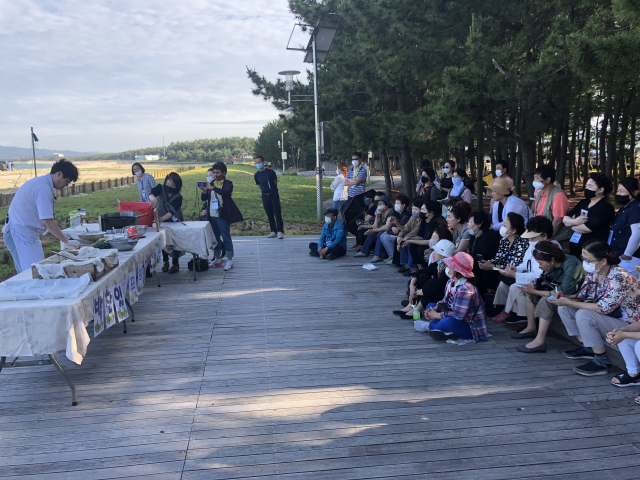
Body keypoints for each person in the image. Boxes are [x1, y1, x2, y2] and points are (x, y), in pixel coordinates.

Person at [552, 240, 640, 376]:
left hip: (628, 322)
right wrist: (565, 297)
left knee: (583, 314)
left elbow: (603, 308)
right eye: (583, 258)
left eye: (588, 260)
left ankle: (601, 360)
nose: (585, 263)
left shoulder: (619, 277)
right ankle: (588, 347)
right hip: (610, 317)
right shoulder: (594, 272)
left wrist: (570, 302)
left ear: (603, 261)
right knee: (564, 309)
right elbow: (582, 296)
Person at [2, 159, 81, 273]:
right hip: (19, 233)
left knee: (35, 271)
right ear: (59, 174)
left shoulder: (42, 183)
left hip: (25, 232)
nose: (66, 185)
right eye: (67, 181)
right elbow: (48, 221)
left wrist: (62, 235)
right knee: (32, 273)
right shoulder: (42, 188)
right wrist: (66, 241)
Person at [513, 241, 585, 353]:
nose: (539, 266)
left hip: (573, 297)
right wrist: (535, 284)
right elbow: (547, 281)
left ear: (551, 260)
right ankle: (531, 327)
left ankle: (539, 341)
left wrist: (535, 291)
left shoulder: (572, 264)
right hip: (559, 294)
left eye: (541, 263)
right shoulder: (553, 264)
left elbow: (563, 291)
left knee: (545, 301)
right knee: (530, 293)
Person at [491, 216, 555, 324]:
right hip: (529, 279)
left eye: (533, 237)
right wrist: (515, 269)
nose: (530, 240)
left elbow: (539, 275)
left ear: (544, 236)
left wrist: (515, 275)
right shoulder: (533, 246)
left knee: (515, 287)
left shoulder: (550, 251)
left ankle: (522, 316)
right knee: (505, 284)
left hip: (542, 284)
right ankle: (509, 311)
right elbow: (525, 264)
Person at [424, 252, 489, 343]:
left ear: (456, 270)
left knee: (448, 322)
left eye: (450, 266)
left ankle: (431, 326)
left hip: (469, 326)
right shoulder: (450, 282)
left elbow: (458, 315)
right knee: (430, 305)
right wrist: (434, 309)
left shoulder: (466, 289)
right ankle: (441, 328)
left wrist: (436, 315)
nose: (447, 267)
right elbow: (445, 301)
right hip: (453, 315)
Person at [394, 239, 455, 318]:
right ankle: (412, 305)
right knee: (423, 276)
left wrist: (415, 293)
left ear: (443, 255)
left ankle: (416, 310)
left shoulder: (448, 269)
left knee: (431, 285)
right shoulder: (437, 265)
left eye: (436, 251)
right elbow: (419, 272)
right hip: (432, 291)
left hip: (442, 296)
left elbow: (438, 285)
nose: (434, 253)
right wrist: (412, 286)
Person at [200, 162, 243, 271]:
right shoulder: (211, 183)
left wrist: (212, 187)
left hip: (222, 215)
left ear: (224, 173)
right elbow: (204, 198)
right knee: (215, 238)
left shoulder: (228, 183)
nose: (215, 174)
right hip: (211, 215)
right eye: (214, 172)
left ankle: (229, 260)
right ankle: (217, 259)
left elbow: (226, 192)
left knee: (226, 237)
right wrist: (205, 191)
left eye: (218, 172)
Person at [564, 172, 614, 257]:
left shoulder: (605, 207)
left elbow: (587, 228)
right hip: (576, 246)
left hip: (593, 251)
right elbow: (565, 218)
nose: (587, 189)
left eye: (590, 186)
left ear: (601, 190)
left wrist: (571, 224)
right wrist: (576, 221)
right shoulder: (584, 202)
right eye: (586, 186)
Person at [478, 212, 529, 292]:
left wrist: (493, 266)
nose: (502, 228)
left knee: (491, 274)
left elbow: (515, 266)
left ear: (514, 230)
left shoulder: (522, 243)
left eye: (505, 226)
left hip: (514, 273)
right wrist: (486, 262)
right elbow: (498, 259)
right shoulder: (504, 241)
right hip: (503, 270)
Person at [149, 172, 184, 273]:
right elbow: (150, 194)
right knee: (163, 240)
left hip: (173, 219)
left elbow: (173, 212)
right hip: (161, 218)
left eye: (172, 185)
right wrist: (153, 198)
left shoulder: (178, 197)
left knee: (174, 241)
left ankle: (175, 263)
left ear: (176, 187)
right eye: (168, 184)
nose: (169, 186)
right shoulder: (160, 188)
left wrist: (162, 219)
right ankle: (165, 261)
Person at [399, 200, 446, 272]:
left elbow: (431, 241)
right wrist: (408, 238)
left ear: (431, 212)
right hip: (425, 242)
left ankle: (425, 269)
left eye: (423, 210)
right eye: (421, 209)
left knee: (421, 249)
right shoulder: (424, 220)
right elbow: (420, 236)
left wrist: (411, 240)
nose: (421, 211)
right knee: (412, 246)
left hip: (435, 245)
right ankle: (420, 269)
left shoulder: (436, 222)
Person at [531, 164, 571, 241]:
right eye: (534, 178)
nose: (534, 181)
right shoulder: (539, 194)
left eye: (537, 178)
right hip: (540, 235)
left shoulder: (558, 195)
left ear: (548, 180)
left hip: (553, 238)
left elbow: (558, 220)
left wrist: (547, 238)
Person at [467, 210, 500, 294]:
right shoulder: (473, 236)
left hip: (486, 275)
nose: (467, 224)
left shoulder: (487, 238)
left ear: (480, 224)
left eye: (470, 222)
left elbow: (479, 258)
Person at [387, 198, 424, 270]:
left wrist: (402, 239)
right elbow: (405, 229)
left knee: (407, 242)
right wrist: (399, 236)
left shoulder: (422, 220)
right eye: (413, 209)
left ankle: (412, 268)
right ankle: (405, 265)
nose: (414, 211)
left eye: (416, 209)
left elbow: (415, 231)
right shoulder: (413, 218)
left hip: (418, 238)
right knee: (402, 237)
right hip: (409, 236)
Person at [609, 177, 640, 261]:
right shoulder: (625, 207)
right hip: (618, 254)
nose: (618, 194)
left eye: (622, 191)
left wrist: (627, 254)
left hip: (629, 258)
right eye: (618, 191)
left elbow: (637, 233)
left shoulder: (635, 208)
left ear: (634, 192)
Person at [254, 156, 284, 239]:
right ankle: (273, 231)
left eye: (259, 162)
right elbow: (259, 185)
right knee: (269, 214)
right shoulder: (256, 175)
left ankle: (280, 231)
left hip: (273, 194)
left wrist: (272, 190)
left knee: (277, 213)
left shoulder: (271, 172)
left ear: (263, 162)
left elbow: (275, 182)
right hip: (265, 196)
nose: (258, 164)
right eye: (256, 162)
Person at [376, 194, 411, 264]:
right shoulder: (397, 213)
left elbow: (399, 229)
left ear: (404, 205)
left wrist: (393, 228)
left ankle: (393, 257)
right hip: (395, 233)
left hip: (401, 235)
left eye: (398, 203)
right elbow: (392, 226)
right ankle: (390, 256)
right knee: (383, 235)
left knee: (386, 237)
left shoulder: (405, 215)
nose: (396, 205)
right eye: (395, 203)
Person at [342, 152, 368, 218]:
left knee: (358, 215)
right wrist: (354, 180)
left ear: (360, 159)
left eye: (356, 159)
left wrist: (351, 180)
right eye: (352, 159)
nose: (354, 161)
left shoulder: (363, 171)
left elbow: (356, 182)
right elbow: (345, 182)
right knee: (348, 214)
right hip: (351, 196)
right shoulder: (350, 171)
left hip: (359, 196)